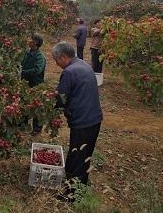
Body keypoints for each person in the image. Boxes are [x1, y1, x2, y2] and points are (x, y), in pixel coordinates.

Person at [52, 41, 103, 202]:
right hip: (94, 119)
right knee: (84, 155)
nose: (56, 64)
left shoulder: (69, 72)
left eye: (56, 60)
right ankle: (81, 186)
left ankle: (72, 195)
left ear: (63, 57)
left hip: (83, 122)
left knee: (76, 158)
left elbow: (61, 98)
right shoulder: (83, 64)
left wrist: (46, 105)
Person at [21, 33, 46, 134]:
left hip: (36, 84)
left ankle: (37, 129)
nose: (29, 40)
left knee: (36, 106)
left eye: (30, 39)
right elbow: (22, 63)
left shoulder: (40, 57)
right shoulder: (27, 52)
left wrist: (23, 72)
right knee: (24, 103)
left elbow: (37, 70)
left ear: (35, 42)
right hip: (25, 83)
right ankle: (23, 124)